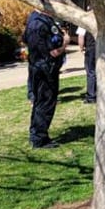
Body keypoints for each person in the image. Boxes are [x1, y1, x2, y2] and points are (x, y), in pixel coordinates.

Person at [23, 8, 66, 148]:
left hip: (42, 67)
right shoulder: (38, 23)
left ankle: (38, 134)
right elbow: (52, 52)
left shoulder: (38, 19)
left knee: (42, 102)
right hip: (45, 69)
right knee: (45, 103)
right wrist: (65, 42)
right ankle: (39, 138)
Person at [76, 24, 97, 104]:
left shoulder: (84, 21)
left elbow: (81, 36)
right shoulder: (103, 20)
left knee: (91, 72)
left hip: (91, 48)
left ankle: (91, 96)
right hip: (102, 49)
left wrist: (81, 48)